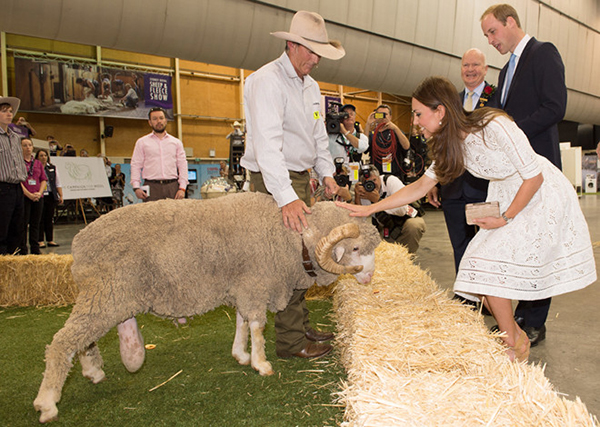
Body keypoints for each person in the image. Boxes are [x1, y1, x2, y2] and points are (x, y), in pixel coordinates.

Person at [337, 76, 596, 363]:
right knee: (477, 265)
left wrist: (506, 217)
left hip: (539, 194)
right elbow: (420, 187)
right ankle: (515, 339)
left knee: (484, 262)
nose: (416, 121)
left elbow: (534, 177)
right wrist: (371, 209)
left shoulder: (494, 127)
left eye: (419, 113)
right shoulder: (451, 144)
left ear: (441, 111)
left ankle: (513, 343)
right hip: (509, 195)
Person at [240, 10, 344, 359]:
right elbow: (267, 146)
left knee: (304, 259)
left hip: (302, 180)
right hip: (274, 181)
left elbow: (318, 137)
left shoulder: (311, 86)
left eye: (320, 53)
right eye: (311, 52)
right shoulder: (265, 81)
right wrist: (285, 197)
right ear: (291, 45)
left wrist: (327, 173)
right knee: (288, 263)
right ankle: (289, 342)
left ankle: (299, 325)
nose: (316, 60)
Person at [481, 3, 568, 346]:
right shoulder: (505, 72)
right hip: (515, 173)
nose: (491, 40)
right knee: (518, 245)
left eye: (493, 31)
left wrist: (514, 133)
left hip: (540, 168)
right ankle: (518, 313)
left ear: (511, 22)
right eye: (487, 35)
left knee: (539, 246)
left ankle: (535, 320)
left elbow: (554, 106)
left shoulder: (544, 53)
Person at [427, 48, 495, 309]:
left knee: (487, 244)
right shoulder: (451, 101)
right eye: (466, 65)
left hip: (484, 187)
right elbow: (441, 142)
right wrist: (436, 181)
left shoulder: (497, 97)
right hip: (453, 186)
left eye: (475, 65)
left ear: (486, 69)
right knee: (460, 243)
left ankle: (490, 300)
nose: (470, 69)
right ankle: (467, 296)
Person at [355, 165, 426, 254]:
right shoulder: (364, 192)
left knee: (415, 225)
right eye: (367, 182)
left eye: (374, 180)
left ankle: (407, 257)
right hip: (386, 227)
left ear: (379, 177)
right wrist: (357, 198)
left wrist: (378, 201)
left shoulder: (390, 181)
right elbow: (360, 221)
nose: (372, 185)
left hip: (406, 220)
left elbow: (402, 209)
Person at [130, 107, 188, 202]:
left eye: (161, 118)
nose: (159, 121)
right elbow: (135, 165)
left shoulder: (176, 142)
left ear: (165, 120)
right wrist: (136, 187)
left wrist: (182, 188)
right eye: (155, 119)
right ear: (150, 122)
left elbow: (182, 165)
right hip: (151, 188)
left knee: (175, 216)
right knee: (151, 216)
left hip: (172, 188)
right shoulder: (142, 142)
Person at [0, 97, 27, 255]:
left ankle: (16, 260)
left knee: (18, 229)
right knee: (2, 229)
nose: (9, 114)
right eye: (4, 111)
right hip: (2, 188)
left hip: (17, 188)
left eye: (10, 111)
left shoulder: (16, 138)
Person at [365, 104, 411, 181]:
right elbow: (364, 147)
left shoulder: (396, 132)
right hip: (377, 176)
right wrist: (368, 124)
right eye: (380, 114)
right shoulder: (373, 134)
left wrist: (395, 128)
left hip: (395, 175)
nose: (383, 117)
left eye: (385, 114)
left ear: (390, 117)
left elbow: (406, 146)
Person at [20, 138, 47, 255]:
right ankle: (23, 248)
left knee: (36, 223)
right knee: (23, 224)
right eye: (25, 145)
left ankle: (35, 248)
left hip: (38, 197)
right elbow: (19, 181)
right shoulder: (19, 163)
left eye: (30, 145)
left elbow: (43, 180)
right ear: (20, 148)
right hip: (25, 197)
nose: (28, 148)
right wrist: (29, 195)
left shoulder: (37, 163)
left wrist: (39, 193)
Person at [36, 149, 63, 248]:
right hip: (40, 195)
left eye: (45, 155)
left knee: (49, 218)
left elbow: (57, 182)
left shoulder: (52, 168)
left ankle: (50, 239)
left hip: (51, 195)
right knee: (40, 218)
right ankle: (40, 240)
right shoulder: (35, 167)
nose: (43, 157)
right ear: (37, 157)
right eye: (41, 156)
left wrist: (61, 195)